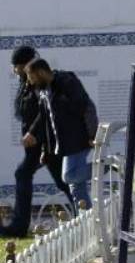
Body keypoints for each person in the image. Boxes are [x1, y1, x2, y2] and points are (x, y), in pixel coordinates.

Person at [0, 47, 74, 237]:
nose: (14, 70)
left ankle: (19, 226)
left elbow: (46, 111)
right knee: (60, 180)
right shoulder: (25, 82)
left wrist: (33, 132)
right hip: (37, 143)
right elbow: (23, 111)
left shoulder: (37, 81)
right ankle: (84, 215)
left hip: (47, 140)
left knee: (57, 179)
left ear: (25, 64)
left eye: (16, 66)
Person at [24, 58, 97, 210]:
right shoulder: (44, 90)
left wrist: (93, 135)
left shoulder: (67, 81)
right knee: (76, 187)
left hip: (80, 138)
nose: (30, 83)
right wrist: (41, 145)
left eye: (32, 78)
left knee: (69, 176)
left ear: (41, 72)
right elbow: (45, 119)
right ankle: (86, 218)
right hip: (66, 144)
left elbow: (86, 107)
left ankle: (106, 166)